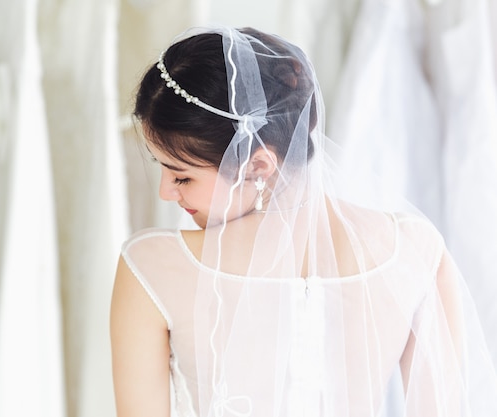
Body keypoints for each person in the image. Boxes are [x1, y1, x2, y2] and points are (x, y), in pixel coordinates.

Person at [110, 27, 497, 417]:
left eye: (182, 177)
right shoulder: (414, 250)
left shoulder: (153, 266)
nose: (166, 192)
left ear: (258, 164)